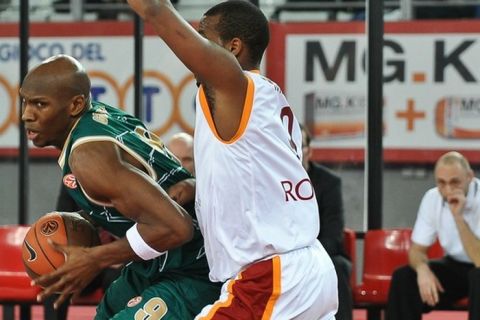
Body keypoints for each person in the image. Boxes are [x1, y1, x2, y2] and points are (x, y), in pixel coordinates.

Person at [127, 1, 338, 319]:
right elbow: (254, 181)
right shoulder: (262, 98)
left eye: (202, 35)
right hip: (302, 269)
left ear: (233, 47)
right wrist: (197, 187)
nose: (194, 42)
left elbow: (156, 10)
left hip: (273, 277)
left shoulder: (235, 87)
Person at [20, 54, 221, 319]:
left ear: (76, 104)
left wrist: (94, 258)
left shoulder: (88, 157)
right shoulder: (99, 116)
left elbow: (176, 228)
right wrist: (85, 221)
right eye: (25, 102)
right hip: (159, 262)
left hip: (197, 268)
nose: (26, 115)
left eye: (39, 104)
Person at [385, 151, 480, 320]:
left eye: (455, 182)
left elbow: (479, 260)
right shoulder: (432, 197)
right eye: (441, 183)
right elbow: (416, 251)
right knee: (405, 278)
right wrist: (422, 270)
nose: (448, 189)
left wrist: (458, 217)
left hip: (477, 266)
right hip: (455, 265)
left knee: (477, 276)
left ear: (469, 177)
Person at [300, 124, 353, 320]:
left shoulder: (329, 182)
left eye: (301, 145)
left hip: (321, 252)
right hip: (285, 256)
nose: (296, 151)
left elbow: (333, 235)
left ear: (309, 150)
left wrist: (306, 258)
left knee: (336, 267)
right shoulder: (272, 181)